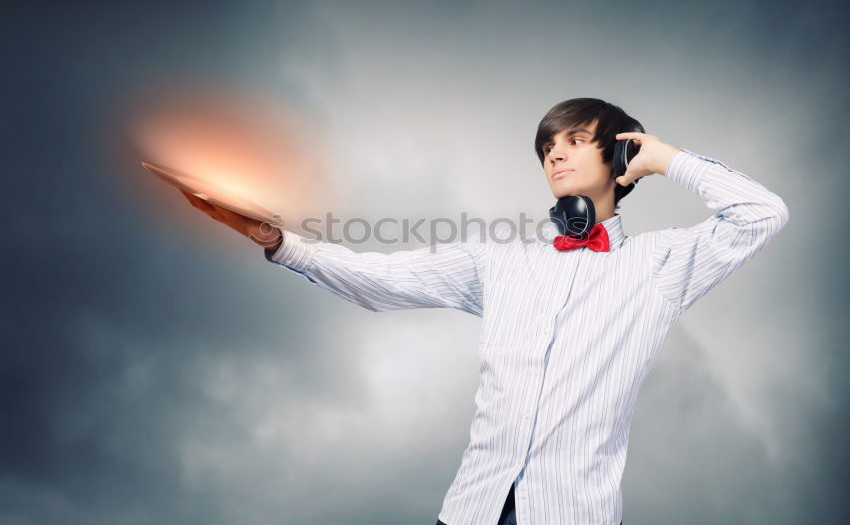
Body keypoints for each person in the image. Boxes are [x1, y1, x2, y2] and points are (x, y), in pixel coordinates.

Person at [181, 98, 790, 525]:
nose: (555, 154)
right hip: (468, 510)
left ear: (620, 156)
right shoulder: (499, 262)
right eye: (547, 146)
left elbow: (763, 214)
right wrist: (278, 242)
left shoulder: (662, 263)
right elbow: (381, 278)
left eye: (575, 140)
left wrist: (668, 158)